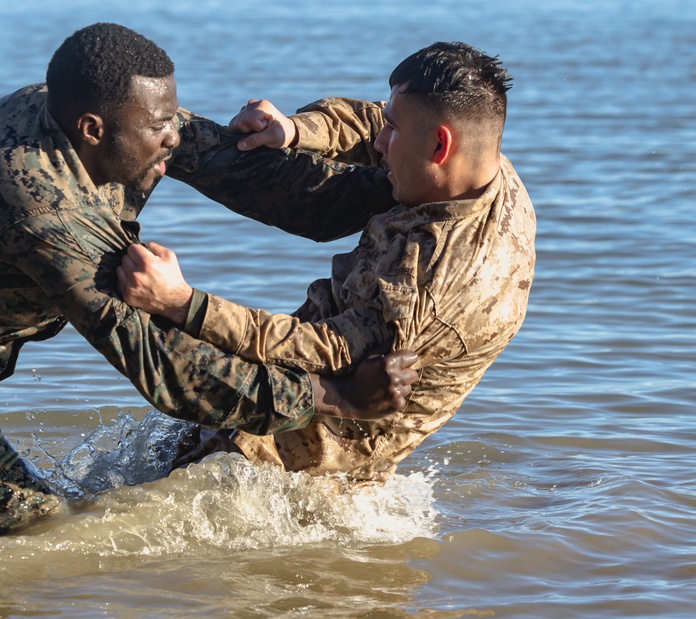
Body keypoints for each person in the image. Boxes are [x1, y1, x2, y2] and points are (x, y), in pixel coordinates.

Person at [0, 22, 418, 548]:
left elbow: (267, 185)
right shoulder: (38, 204)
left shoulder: (110, 118)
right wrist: (332, 397)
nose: (179, 135)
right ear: (93, 130)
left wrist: (405, 189)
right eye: (161, 128)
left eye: (173, 117)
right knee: (27, 531)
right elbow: (159, 364)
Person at [119, 42, 536, 483]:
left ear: (440, 146)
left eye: (393, 134)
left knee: (152, 501)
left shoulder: (436, 287)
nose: (379, 143)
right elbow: (373, 120)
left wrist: (182, 303)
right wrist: (294, 131)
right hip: (298, 390)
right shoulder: (476, 162)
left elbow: (319, 350)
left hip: (305, 453)